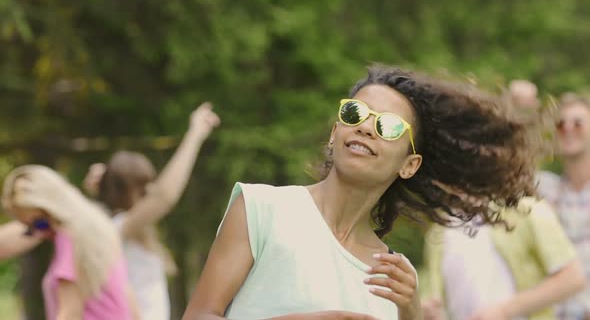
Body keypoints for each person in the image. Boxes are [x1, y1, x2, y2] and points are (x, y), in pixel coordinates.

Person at [182, 66, 543, 320]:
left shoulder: (394, 278)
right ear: (334, 133)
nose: (366, 128)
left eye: (387, 126)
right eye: (355, 113)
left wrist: (412, 314)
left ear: (409, 165)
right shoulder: (261, 208)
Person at [92, 102, 220, 320]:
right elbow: (164, 196)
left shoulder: (121, 229)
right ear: (124, 190)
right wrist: (195, 134)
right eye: (142, 187)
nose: (149, 191)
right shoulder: (119, 227)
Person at [1, 165, 137, 320]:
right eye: (30, 230)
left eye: (40, 225)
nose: (42, 234)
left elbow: (70, 313)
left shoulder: (68, 238)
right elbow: (129, 299)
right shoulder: (101, 232)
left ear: (51, 209)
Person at [420, 197, 585, 320]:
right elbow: (433, 297)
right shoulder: (440, 228)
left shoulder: (525, 208)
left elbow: (573, 278)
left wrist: (505, 310)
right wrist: (426, 310)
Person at [537, 93, 590, 319]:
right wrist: (520, 109)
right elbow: (510, 163)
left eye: (577, 123)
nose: (568, 128)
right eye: (561, 124)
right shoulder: (546, 190)